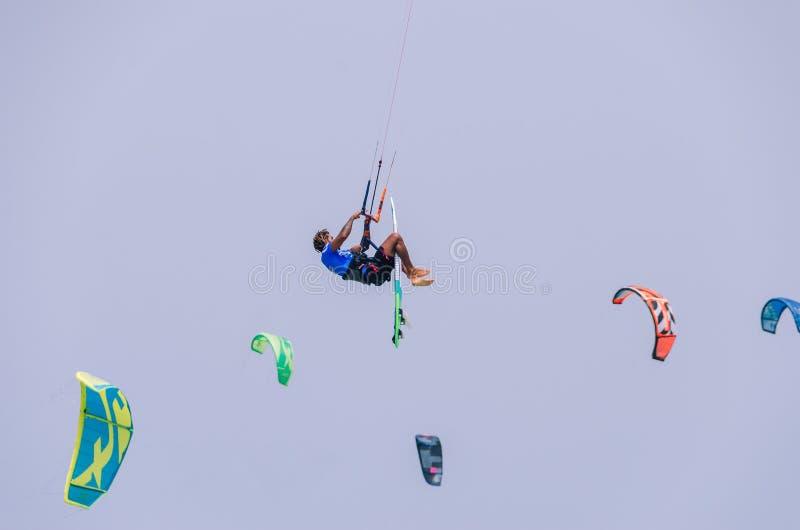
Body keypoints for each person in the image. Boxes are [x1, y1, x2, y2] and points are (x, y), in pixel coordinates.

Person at [313, 211, 433, 287]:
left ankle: (411, 276)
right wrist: (351, 218)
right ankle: (412, 271)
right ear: (324, 240)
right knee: (395, 237)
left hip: (372, 272)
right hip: (372, 271)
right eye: (331, 238)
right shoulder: (327, 252)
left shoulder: (339, 255)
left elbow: (364, 245)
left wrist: (366, 224)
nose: (334, 239)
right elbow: (343, 236)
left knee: (396, 250)